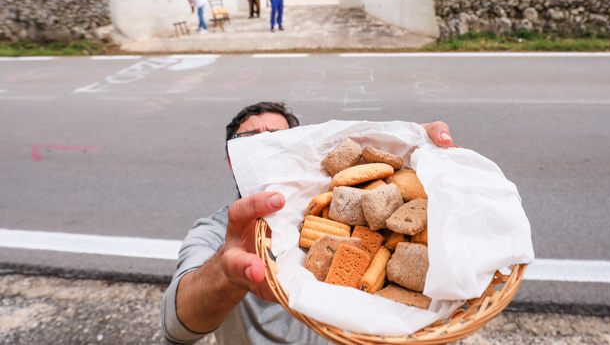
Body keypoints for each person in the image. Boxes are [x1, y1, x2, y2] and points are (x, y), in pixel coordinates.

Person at [160, 101, 454, 345]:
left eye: (277, 136)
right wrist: (226, 273)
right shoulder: (214, 232)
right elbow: (176, 327)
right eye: (247, 138)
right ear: (232, 159)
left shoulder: (327, 200)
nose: (264, 140)